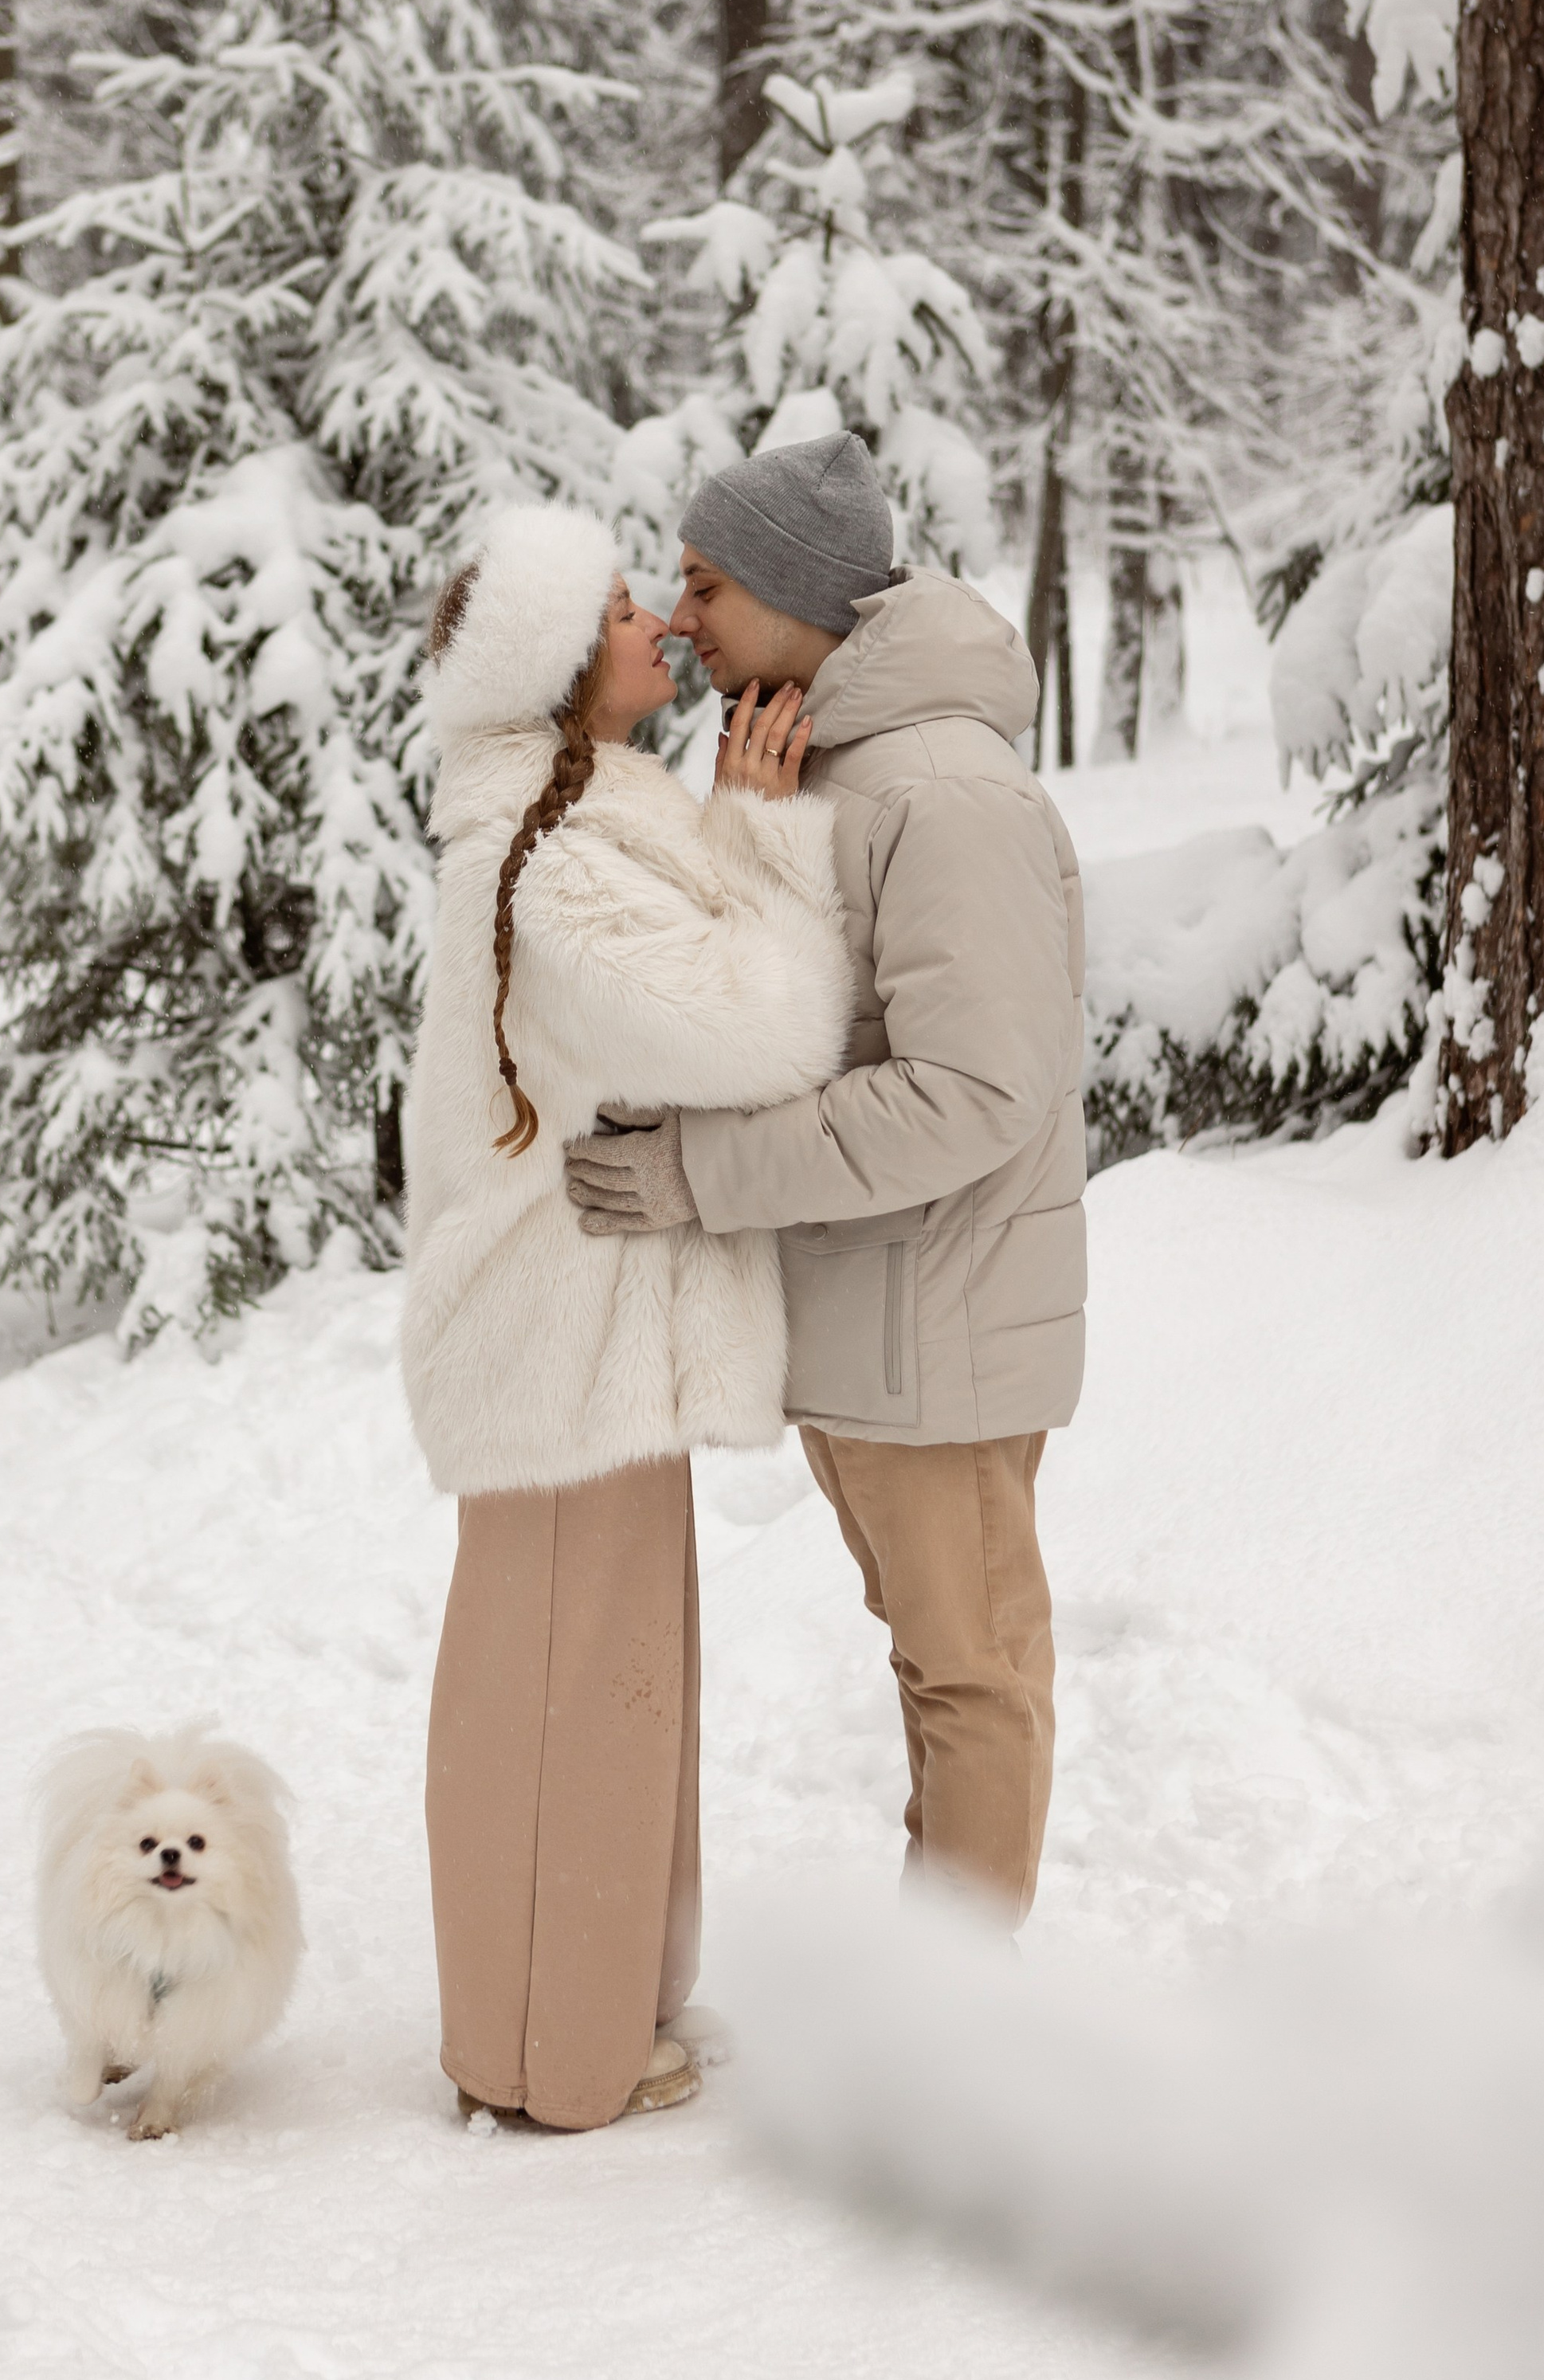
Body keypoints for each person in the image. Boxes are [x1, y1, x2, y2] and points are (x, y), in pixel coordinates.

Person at [564, 432, 1085, 1926]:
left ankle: (958, 2052)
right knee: (939, 1663)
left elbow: (978, 1091)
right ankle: (932, 2014)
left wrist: (697, 1177)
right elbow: (785, 1025)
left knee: (973, 1672)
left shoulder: (941, 793)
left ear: (798, 594)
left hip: (945, 1321)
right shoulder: (825, 765)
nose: (681, 618)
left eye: (708, 582)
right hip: (872, 1316)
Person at [402, 496, 849, 2128]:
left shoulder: (574, 824)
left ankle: (575, 2017)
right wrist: (774, 844)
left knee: (591, 1681)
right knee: (575, 1699)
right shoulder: (556, 865)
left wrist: (722, 835)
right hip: (562, 1344)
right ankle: (560, 2060)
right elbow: (757, 1029)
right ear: (546, 677)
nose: (651, 625)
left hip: (576, 1336)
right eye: (609, 615)